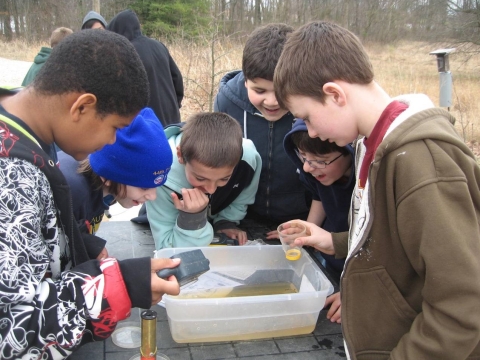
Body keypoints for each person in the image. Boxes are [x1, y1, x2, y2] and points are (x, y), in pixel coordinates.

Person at [274, 20, 480, 359]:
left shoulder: (420, 162)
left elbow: (461, 304)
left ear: (335, 94)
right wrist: (334, 241)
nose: (309, 132)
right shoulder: (371, 147)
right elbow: (394, 243)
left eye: (307, 117)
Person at [0, 30, 180, 359]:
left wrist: (81, 244)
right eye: (114, 128)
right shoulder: (11, 176)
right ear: (82, 106)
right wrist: (120, 285)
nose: (113, 143)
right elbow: (14, 331)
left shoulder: (25, 138)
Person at [214, 23, 310, 232]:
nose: (272, 101)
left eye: (281, 91)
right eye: (260, 90)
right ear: (246, 80)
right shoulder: (226, 102)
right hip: (240, 217)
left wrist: (312, 224)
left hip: (300, 219)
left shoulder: (311, 105)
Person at [58, 107, 172, 258]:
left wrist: (91, 246)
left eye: (156, 186)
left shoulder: (108, 188)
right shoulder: (71, 192)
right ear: (108, 176)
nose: (152, 196)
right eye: (144, 187)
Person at [146, 112, 262, 249]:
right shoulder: (160, 177)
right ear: (180, 156)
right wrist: (192, 218)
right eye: (200, 178)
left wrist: (226, 221)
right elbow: (168, 246)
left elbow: (242, 196)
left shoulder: (249, 159)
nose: (211, 189)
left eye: (224, 178)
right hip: (172, 223)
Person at [284, 118, 355, 323]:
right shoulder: (319, 172)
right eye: (303, 156)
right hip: (332, 262)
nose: (307, 167)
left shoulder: (368, 181)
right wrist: (305, 232)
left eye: (320, 160)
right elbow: (319, 196)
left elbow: (379, 244)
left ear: (349, 153)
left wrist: (356, 290)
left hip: (362, 270)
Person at [108, 9, 184, 126]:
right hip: (172, 121)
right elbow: (177, 79)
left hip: (148, 126)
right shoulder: (158, 45)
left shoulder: (124, 54)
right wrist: (175, 105)